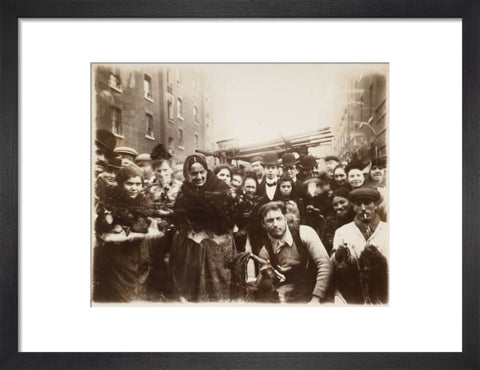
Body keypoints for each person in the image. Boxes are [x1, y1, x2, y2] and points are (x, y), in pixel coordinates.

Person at [169, 154, 237, 302]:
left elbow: (231, 218)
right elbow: (178, 217)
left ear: (207, 171)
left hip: (216, 248)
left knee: (217, 285)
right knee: (191, 287)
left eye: (202, 172)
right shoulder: (184, 192)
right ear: (188, 174)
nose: (199, 177)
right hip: (191, 249)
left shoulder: (221, 189)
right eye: (194, 173)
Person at [93, 164, 162, 302]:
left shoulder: (143, 201)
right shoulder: (111, 201)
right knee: (117, 292)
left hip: (137, 251)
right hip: (114, 254)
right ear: (120, 184)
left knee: (136, 286)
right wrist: (109, 220)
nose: (134, 188)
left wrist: (125, 223)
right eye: (129, 183)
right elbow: (101, 226)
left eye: (138, 184)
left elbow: (142, 226)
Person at [254, 201, 332, 303]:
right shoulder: (265, 251)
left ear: (285, 219)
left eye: (279, 219)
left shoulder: (305, 233)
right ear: (263, 224)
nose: (275, 224)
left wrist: (316, 299)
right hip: (289, 294)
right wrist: (265, 278)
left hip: (316, 289)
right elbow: (264, 286)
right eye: (270, 220)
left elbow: (325, 265)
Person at [331, 187, 388, 304]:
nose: (363, 208)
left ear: (376, 205)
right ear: (353, 207)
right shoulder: (342, 232)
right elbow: (333, 264)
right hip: (351, 293)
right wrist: (339, 255)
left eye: (367, 203)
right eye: (358, 204)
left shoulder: (389, 230)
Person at [323, 187, 355, 255]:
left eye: (342, 202)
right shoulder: (330, 223)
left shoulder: (358, 220)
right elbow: (327, 247)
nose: (339, 207)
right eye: (335, 205)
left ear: (351, 202)